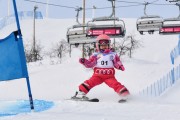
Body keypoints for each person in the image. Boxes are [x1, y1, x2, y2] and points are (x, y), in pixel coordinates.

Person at [74, 34, 130, 100]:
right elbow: (91, 63)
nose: (104, 47)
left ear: (109, 45)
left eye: (106, 45)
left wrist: (120, 66)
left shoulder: (113, 54)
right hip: (97, 75)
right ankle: (80, 94)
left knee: (115, 84)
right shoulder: (96, 55)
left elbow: (117, 62)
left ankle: (125, 95)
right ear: (98, 46)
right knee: (90, 82)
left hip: (109, 76)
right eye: (102, 46)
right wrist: (85, 62)